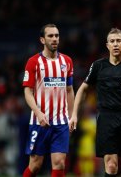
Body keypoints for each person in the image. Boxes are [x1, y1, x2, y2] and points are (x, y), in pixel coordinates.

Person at [69, 28, 121, 177]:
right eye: (112, 41)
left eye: (119, 41)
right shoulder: (99, 66)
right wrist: (74, 115)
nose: (115, 44)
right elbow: (82, 90)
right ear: (107, 46)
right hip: (106, 117)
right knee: (111, 166)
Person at [22, 23, 75, 177]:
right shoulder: (33, 62)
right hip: (39, 121)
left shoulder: (67, 61)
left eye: (57, 36)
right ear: (42, 40)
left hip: (61, 122)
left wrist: (71, 117)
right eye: (50, 36)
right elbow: (27, 92)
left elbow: (69, 90)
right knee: (35, 165)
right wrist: (38, 113)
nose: (54, 39)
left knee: (59, 162)